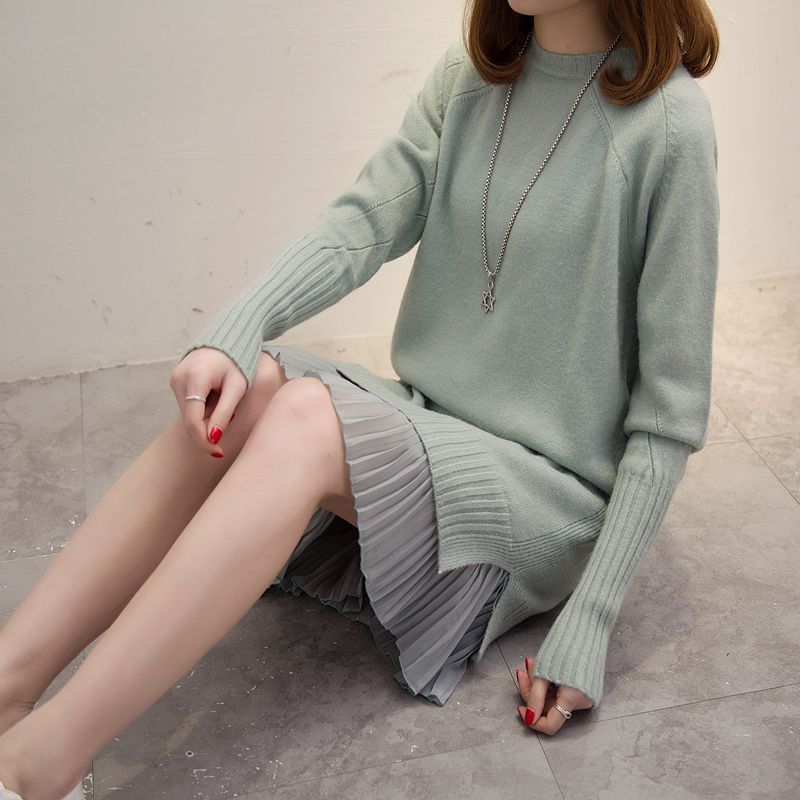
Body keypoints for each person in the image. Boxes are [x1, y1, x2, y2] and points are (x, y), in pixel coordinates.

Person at [0, 0, 720, 796]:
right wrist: (235, 330)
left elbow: (669, 415)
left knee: (307, 417)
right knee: (255, 384)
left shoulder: (669, 125)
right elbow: (363, 221)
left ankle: (40, 765)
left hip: (541, 495)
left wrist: (591, 620)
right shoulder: (474, 77)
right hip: (431, 422)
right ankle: (7, 683)